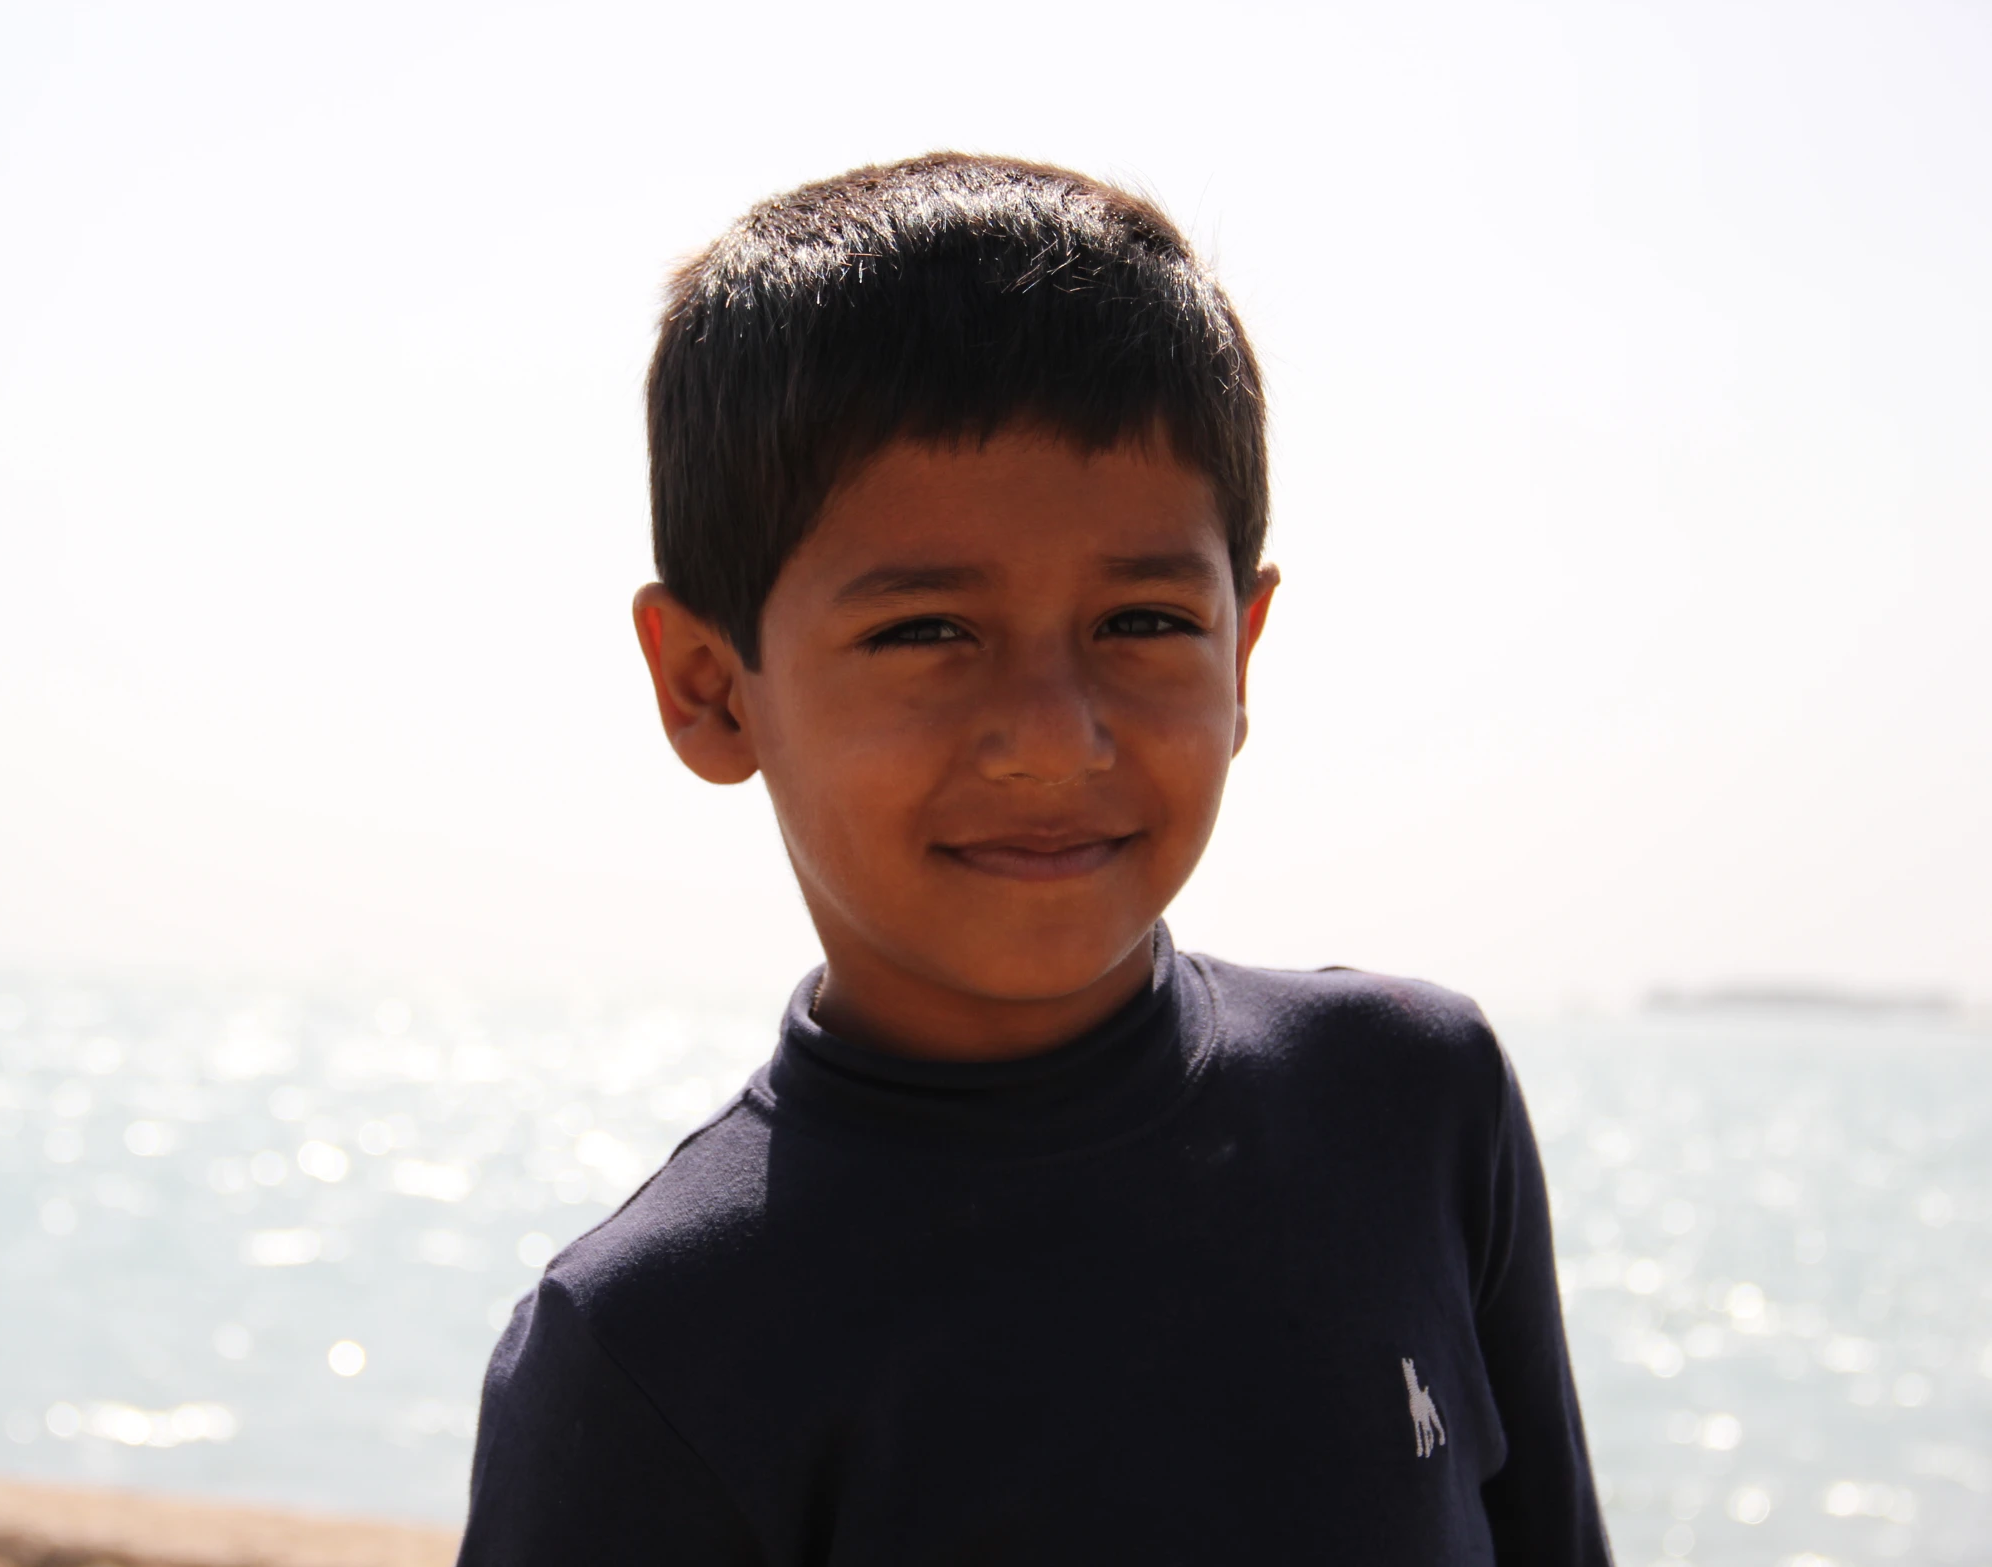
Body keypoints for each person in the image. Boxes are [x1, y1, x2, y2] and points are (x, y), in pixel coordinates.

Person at [455, 152, 1610, 1564]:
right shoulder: (651, 1345)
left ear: (1240, 653)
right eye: (924, 631)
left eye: (1140, 622)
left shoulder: (1412, 1105)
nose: (1053, 741)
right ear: (709, 686)